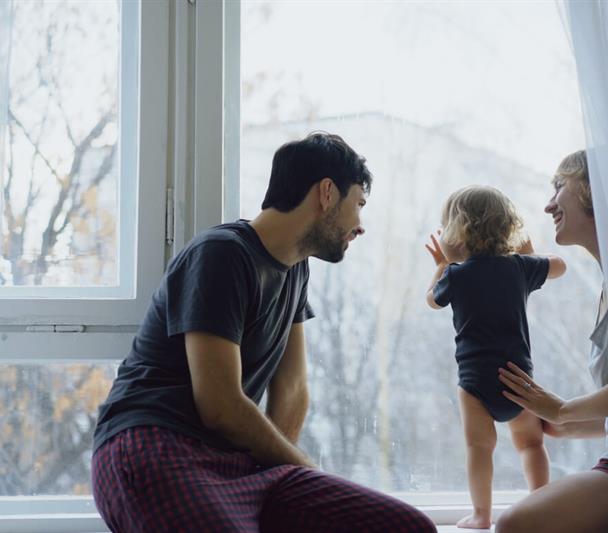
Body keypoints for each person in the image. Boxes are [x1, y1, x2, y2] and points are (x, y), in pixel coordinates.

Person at [91, 132, 436, 533]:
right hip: (154, 444)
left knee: (407, 527)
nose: (360, 227)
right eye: (358, 204)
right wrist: (304, 467)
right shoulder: (221, 254)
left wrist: (290, 479)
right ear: (327, 193)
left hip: (237, 463)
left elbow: (292, 389)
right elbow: (219, 405)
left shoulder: (296, 270)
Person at [494, 150, 608, 533]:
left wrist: (562, 410)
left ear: (592, 190)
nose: (549, 204)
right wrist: (559, 425)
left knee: (515, 525)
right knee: (516, 525)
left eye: (559, 187)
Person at [424, 185, 567, 529]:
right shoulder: (519, 267)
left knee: (479, 447)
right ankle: (541, 506)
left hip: (475, 383)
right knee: (531, 444)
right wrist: (529, 253)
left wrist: (441, 265)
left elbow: (431, 300)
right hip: (519, 379)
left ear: (458, 233)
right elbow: (560, 266)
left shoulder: (456, 275)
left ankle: (481, 515)